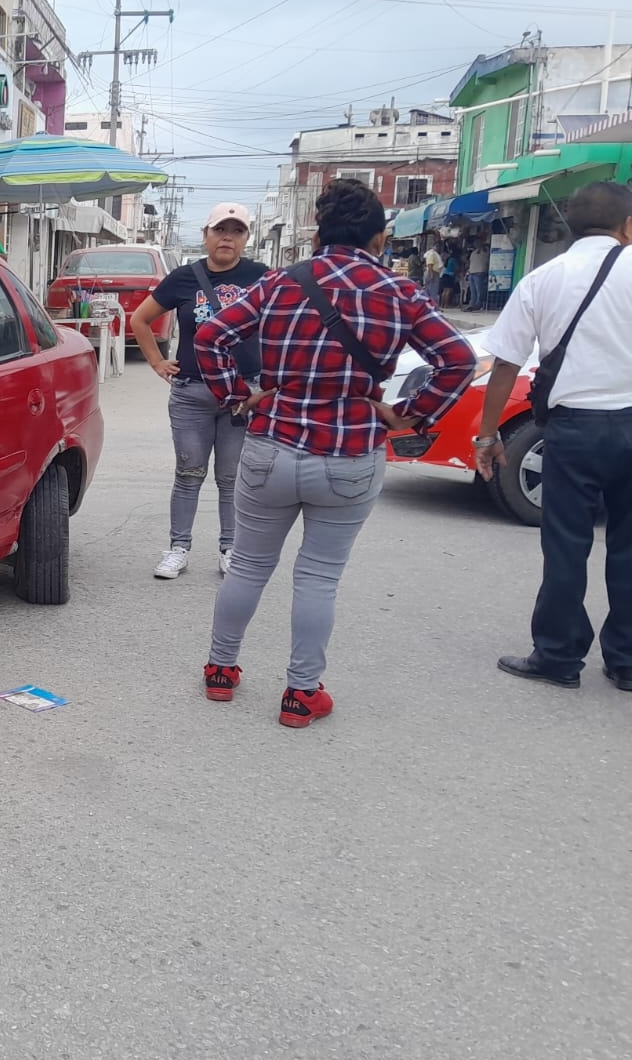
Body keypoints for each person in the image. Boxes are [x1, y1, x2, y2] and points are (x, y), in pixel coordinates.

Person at [196, 178, 476, 727]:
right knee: (319, 577)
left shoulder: (279, 283)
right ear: (378, 236)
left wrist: (238, 397)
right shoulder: (400, 291)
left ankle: (220, 672)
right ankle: (301, 695)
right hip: (350, 451)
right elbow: (458, 361)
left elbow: (210, 339)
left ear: (319, 231)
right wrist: (411, 414)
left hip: (272, 443)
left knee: (249, 565)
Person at [474, 181, 632, 692]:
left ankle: (559, 657)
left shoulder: (543, 279)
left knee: (567, 544)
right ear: (627, 226)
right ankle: (627, 660)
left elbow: (505, 365)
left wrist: (487, 436)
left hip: (573, 430)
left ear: (569, 225)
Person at [129, 203, 269, 580]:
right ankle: (178, 548)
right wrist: (158, 362)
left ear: (246, 238)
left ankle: (231, 550)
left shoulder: (262, 277)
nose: (227, 237)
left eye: (236, 231)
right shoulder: (183, 278)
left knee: (231, 477)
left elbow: (284, 326)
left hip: (243, 395)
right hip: (192, 390)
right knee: (189, 473)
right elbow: (140, 320)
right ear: (205, 235)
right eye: (220, 229)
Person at [465, 239, 489, 310]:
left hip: (480, 272)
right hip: (472, 272)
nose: (476, 244)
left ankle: (478, 304)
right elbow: (470, 262)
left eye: (478, 243)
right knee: (473, 290)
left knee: (479, 290)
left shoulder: (485, 250)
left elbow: (486, 258)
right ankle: (472, 304)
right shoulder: (473, 252)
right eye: (475, 243)